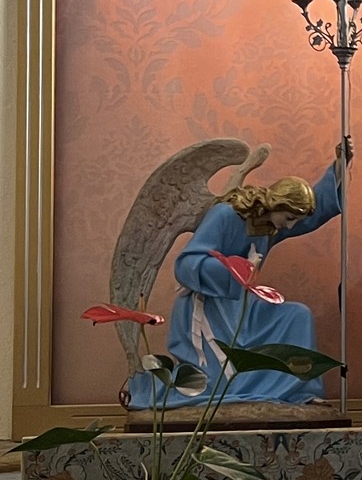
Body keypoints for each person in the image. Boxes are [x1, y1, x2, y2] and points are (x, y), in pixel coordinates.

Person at [129, 162, 343, 407]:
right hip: (209, 306)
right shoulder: (225, 215)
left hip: (243, 305)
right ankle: (223, 393)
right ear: (276, 203)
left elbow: (311, 216)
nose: (291, 226)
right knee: (219, 369)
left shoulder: (270, 225)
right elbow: (186, 264)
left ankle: (296, 392)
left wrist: (337, 171)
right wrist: (233, 270)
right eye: (289, 218)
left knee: (297, 315)